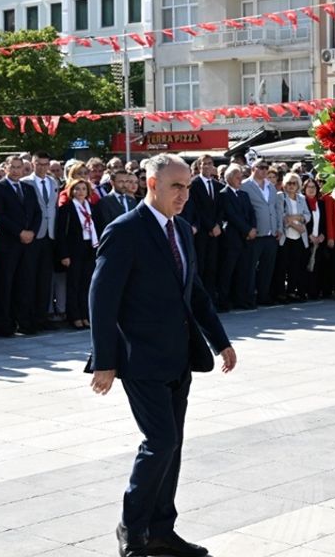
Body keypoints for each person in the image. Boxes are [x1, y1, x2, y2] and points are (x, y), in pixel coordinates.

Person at [88, 154, 236, 557]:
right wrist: (104, 360)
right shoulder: (125, 230)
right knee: (160, 441)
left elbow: (194, 291)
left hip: (178, 356)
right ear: (152, 184)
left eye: (187, 187)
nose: (184, 195)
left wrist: (220, 340)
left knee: (174, 445)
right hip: (140, 358)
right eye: (176, 186)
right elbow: (102, 299)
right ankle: (131, 527)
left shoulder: (182, 229)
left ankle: (160, 530)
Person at [0, 156, 42, 336]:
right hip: (8, 244)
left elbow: (37, 213)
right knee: (6, 285)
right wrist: (19, 232)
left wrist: (32, 232)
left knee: (25, 283)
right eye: (12, 167)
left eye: (19, 167)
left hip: (28, 244)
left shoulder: (28, 188)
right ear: (5, 168)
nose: (15, 170)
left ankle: (25, 322)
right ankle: (5, 324)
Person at [55, 178, 101, 330]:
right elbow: (61, 233)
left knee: (86, 283)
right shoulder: (67, 208)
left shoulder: (92, 208)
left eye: (83, 189)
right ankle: (74, 316)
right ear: (71, 191)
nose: (80, 192)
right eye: (77, 189)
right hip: (74, 250)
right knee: (74, 283)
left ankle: (85, 314)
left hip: (89, 247)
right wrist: (63, 254)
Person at [22, 151, 59, 329]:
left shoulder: (53, 182)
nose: (43, 167)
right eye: (39, 164)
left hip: (50, 235)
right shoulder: (25, 183)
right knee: (29, 277)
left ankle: (42, 317)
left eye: (46, 164)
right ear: (32, 164)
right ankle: (27, 318)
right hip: (33, 235)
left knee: (45, 279)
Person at [242, 159, 283, 308]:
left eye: (266, 168)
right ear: (253, 168)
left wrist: (279, 228)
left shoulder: (270, 186)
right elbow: (243, 210)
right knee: (250, 268)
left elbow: (277, 208)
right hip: (255, 233)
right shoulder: (245, 185)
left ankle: (263, 296)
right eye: (261, 167)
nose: (265, 170)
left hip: (271, 233)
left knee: (267, 267)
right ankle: (248, 297)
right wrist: (247, 229)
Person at [215, 165, 255, 311]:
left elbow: (251, 212)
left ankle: (240, 299)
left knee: (242, 271)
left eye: (241, 177)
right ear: (229, 178)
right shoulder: (223, 194)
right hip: (232, 239)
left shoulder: (244, 195)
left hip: (246, 239)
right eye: (238, 177)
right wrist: (247, 230)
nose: (240, 180)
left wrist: (253, 228)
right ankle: (223, 301)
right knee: (227, 271)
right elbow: (231, 216)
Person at [181, 156, 222, 294]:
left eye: (210, 163)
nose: (207, 166)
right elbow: (197, 209)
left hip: (215, 232)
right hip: (201, 232)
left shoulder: (217, 185)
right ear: (199, 166)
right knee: (201, 265)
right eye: (204, 164)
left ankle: (211, 296)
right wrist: (210, 226)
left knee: (213, 266)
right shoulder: (194, 184)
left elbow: (220, 208)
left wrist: (217, 225)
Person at [275, 172, 311, 302]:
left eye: (294, 183)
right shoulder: (280, 197)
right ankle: (280, 293)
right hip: (285, 237)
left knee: (295, 266)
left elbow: (307, 215)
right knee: (282, 266)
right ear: (284, 184)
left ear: (298, 185)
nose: (291, 185)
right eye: (289, 183)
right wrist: (297, 224)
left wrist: (296, 218)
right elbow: (282, 216)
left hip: (299, 238)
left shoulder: (302, 198)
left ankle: (291, 292)